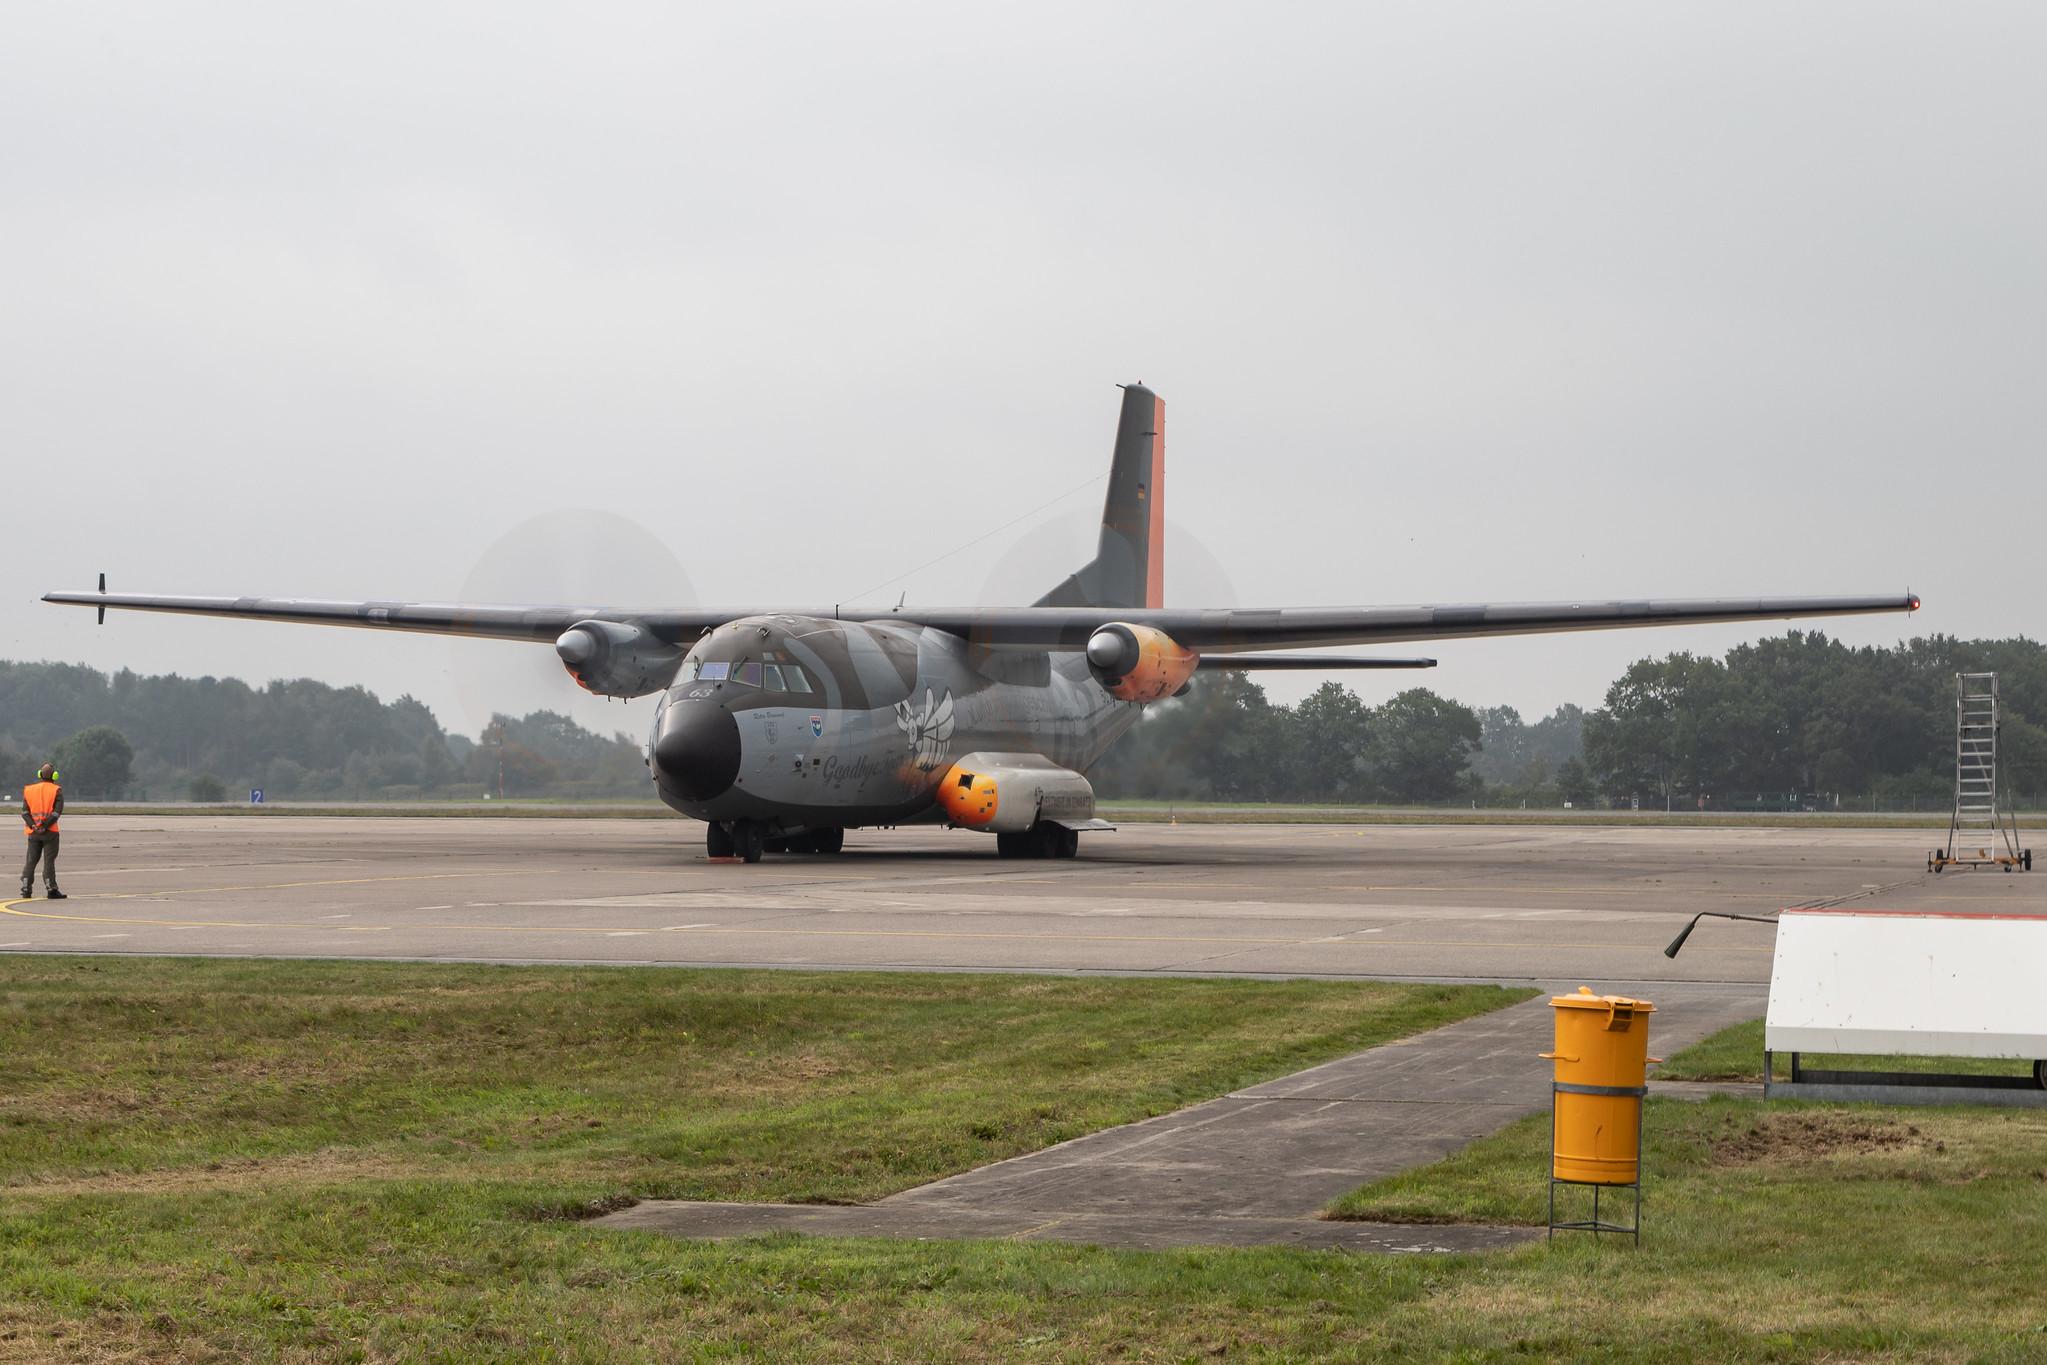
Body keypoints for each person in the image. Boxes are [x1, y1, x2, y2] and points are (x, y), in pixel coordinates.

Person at [20, 763, 66, 901]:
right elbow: (57, 813)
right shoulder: (56, 790)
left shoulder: (29, 790)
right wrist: (44, 826)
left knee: (31, 861)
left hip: (33, 833)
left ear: (40, 774)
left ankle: (26, 889)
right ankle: (51, 889)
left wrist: (33, 826)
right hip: (50, 832)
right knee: (49, 861)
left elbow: (24, 812)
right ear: (54, 775)